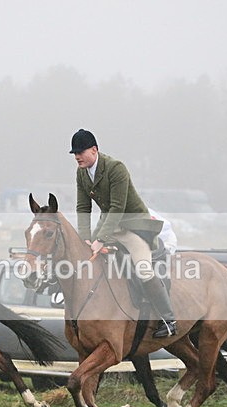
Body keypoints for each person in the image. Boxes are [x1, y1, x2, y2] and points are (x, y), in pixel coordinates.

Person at [70, 129, 176, 338]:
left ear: (94, 150)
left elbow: (117, 207)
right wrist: (85, 238)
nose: (77, 157)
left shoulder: (116, 168)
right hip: (109, 225)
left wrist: (100, 239)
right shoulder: (81, 173)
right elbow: (83, 207)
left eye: (80, 152)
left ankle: (169, 319)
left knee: (144, 270)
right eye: (74, 153)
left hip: (133, 226)